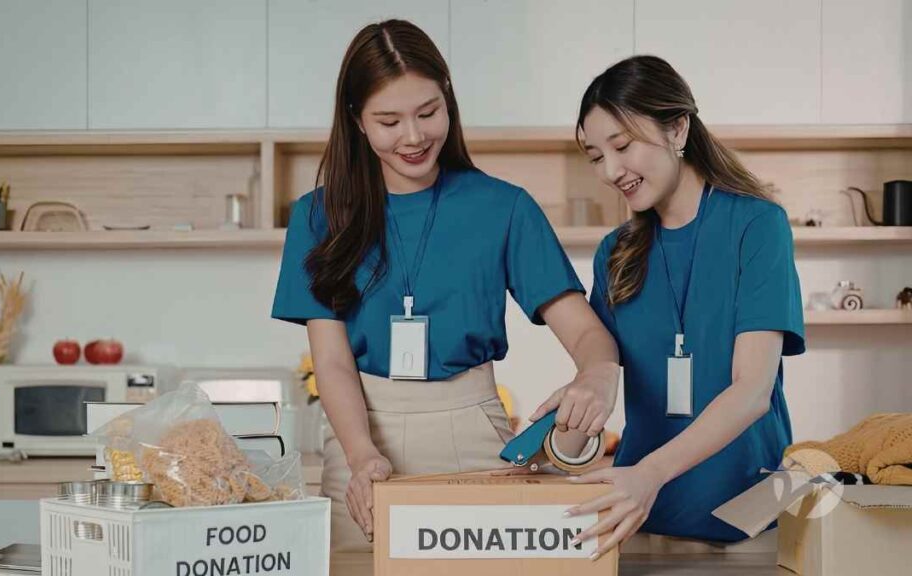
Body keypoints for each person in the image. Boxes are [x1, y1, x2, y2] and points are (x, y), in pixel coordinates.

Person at [271, 19, 620, 553]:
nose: (413, 137)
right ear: (356, 121)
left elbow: (586, 333)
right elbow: (332, 361)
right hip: (360, 444)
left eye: (428, 113)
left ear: (449, 103)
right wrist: (363, 456)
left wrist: (597, 375)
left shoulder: (504, 208)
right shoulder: (318, 217)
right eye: (388, 120)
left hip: (475, 437)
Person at [564, 55, 805, 558]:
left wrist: (650, 473)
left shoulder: (757, 227)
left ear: (678, 129)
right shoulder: (616, 252)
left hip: (747, 522)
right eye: (594, 155)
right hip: (637, 519)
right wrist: (577, 404)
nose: (610, 171)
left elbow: (753, 391)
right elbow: (599, 361)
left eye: (622, 145)